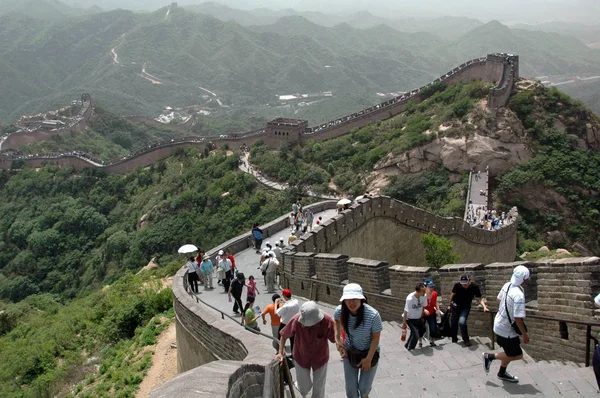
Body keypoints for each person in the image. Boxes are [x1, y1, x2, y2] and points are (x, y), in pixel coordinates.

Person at [276, 301, 335, 398]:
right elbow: (283, 335)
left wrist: (342, 345)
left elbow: (334, 338)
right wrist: (280, 353)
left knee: (319, 388)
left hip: (320, 358)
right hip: (301, 356)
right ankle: (300, 387)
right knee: (303, 388)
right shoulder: (296, 320)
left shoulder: (327, 320)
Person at [483, 266, 530, 383]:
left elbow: (499, 300)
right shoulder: (519, 295)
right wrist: (525, 334)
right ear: (524, 280)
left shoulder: (507, 285)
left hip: (498, 323)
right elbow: (518, 318)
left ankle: (502, 373)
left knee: (509, 352)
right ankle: (489, 357)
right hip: (506, 330)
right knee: (518, 355)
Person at [334, 283, 382, 398]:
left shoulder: (373, 315)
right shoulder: (340, 311)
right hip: (350, 350)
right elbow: (336, 321)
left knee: (364, 388)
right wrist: (337, 340)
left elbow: (376, 338)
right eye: (348, 299)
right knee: (351, 390)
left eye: (355, 299)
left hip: (369, 352)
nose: (351, 303)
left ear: (362, 298)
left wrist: (368, 359)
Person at [448, 273, 489, 347]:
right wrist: (449, 305)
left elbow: (479, 298)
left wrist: (484, 307)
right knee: (454, 323)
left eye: (466, 283)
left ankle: (466, 340)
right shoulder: (457, 285)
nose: (464, 285)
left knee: (462, 322)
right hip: (455, 306)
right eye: (463, 284)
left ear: (469, 281)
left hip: (465, 307)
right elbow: (452, 295)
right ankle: (454, 339)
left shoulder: (474, 287)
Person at [402, 283, 427, 350]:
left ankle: (407, 345)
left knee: (423, 329)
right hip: (410, 319)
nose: (425, 293)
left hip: (418, 318)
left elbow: (423, 306)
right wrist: (404, 323)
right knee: (415, 336)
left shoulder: (424, 296)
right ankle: (411, 349)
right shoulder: (410, 299)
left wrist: (422, 316)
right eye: (423, 292)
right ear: (419, 292)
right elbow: (405, 311)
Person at [276, 288, 300, 353]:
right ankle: (293, 354)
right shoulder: (296, 302)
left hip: (284, 324)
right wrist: (284, 302)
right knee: (293, 340)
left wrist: (276, 303)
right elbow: (289, 302)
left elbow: (277, 313)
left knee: (280, 339)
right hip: (294, 323)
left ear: (284, 296)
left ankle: (280, 352)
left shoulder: (285, 307)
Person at [423, 279, 441, 346]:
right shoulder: (422, 295)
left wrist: (438, 309)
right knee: (422, 328)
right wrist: (424, 310)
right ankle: (420, 341)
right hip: (423, 314)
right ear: (425, 287)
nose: (431, 288)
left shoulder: (435, 293)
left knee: (433, 328)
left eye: (432, 287)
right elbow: (419, 304)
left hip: (431, 313)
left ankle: (432, 341)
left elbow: (435, 302)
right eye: (430, 287)